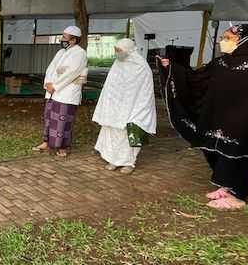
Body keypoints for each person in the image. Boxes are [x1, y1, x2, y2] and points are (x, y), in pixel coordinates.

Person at [159, 24, 248, 210]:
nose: (223, 41)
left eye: (228, 38)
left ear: (245, 40)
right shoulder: (222, 63)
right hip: (219, 118)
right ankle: (226, 187)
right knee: (213, 149)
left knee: (237, 155)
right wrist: (171, 68)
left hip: (245, 123)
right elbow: (196, 79)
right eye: (223, 37)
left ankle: (238, 195)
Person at [92, 38, 156, 174]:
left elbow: (144, 90)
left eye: (119, 50)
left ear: (128, 50)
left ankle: (129, 163)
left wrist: (137, 107)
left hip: (134, 107)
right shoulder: (118, 64)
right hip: (116, 106)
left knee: (129, 133)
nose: (117, 53)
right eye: (115, 50)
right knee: (112, 132)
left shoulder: (141, 66)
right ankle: (113, 160)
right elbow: (110, 86)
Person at [32, 26, 88, 157]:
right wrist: (48, 83)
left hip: (67, 93)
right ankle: (46, 142)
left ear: (73, 40)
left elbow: (71, 73)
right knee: (49, 118)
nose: (62, 39)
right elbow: (51, 68)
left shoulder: (80, 53)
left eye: (65, 37)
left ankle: (62, 147)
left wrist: (55, 86)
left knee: (63, 120)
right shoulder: (61, 52)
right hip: (52, 91)